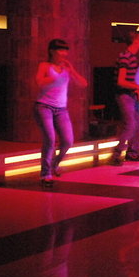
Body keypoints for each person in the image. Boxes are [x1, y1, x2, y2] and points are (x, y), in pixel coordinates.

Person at [34, 39, 88, 188]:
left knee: (68, 141)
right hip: (44, 106)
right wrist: (53, 78)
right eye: (61, 50)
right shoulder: (45, 65)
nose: (64, 53)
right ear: (52, 51)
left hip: (61, 109)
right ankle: (45, 174)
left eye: (66, 50)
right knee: (50, 139)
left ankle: (54, 164)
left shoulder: (66, 68)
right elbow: (39, 82)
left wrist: (72, 71)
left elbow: (84, 84)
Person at [111, 31, 139, 165]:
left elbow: (128, 80)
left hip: (130, 95)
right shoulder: (125, 57)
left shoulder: (132, 57)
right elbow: (121, 81)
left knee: (138, 125)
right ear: (135, 41)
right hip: (124, 95)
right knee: (131, 124)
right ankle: (117, 153)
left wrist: (136, 89)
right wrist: (138, 87)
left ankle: (133, 152)